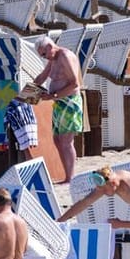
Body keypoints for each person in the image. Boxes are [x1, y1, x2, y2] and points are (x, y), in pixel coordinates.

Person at [29, 36, 85, 182]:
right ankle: (66, 175)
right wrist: (27, 95)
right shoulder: (52, 59)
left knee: (66, 141)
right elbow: (41, 77)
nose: (44, 57)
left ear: (49, 47)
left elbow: (75, 84)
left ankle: (70, 177)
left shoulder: (65, 56)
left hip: (69, 102)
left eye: (43, 54)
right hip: (59, 103)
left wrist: (53, 95)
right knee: (57, 140)